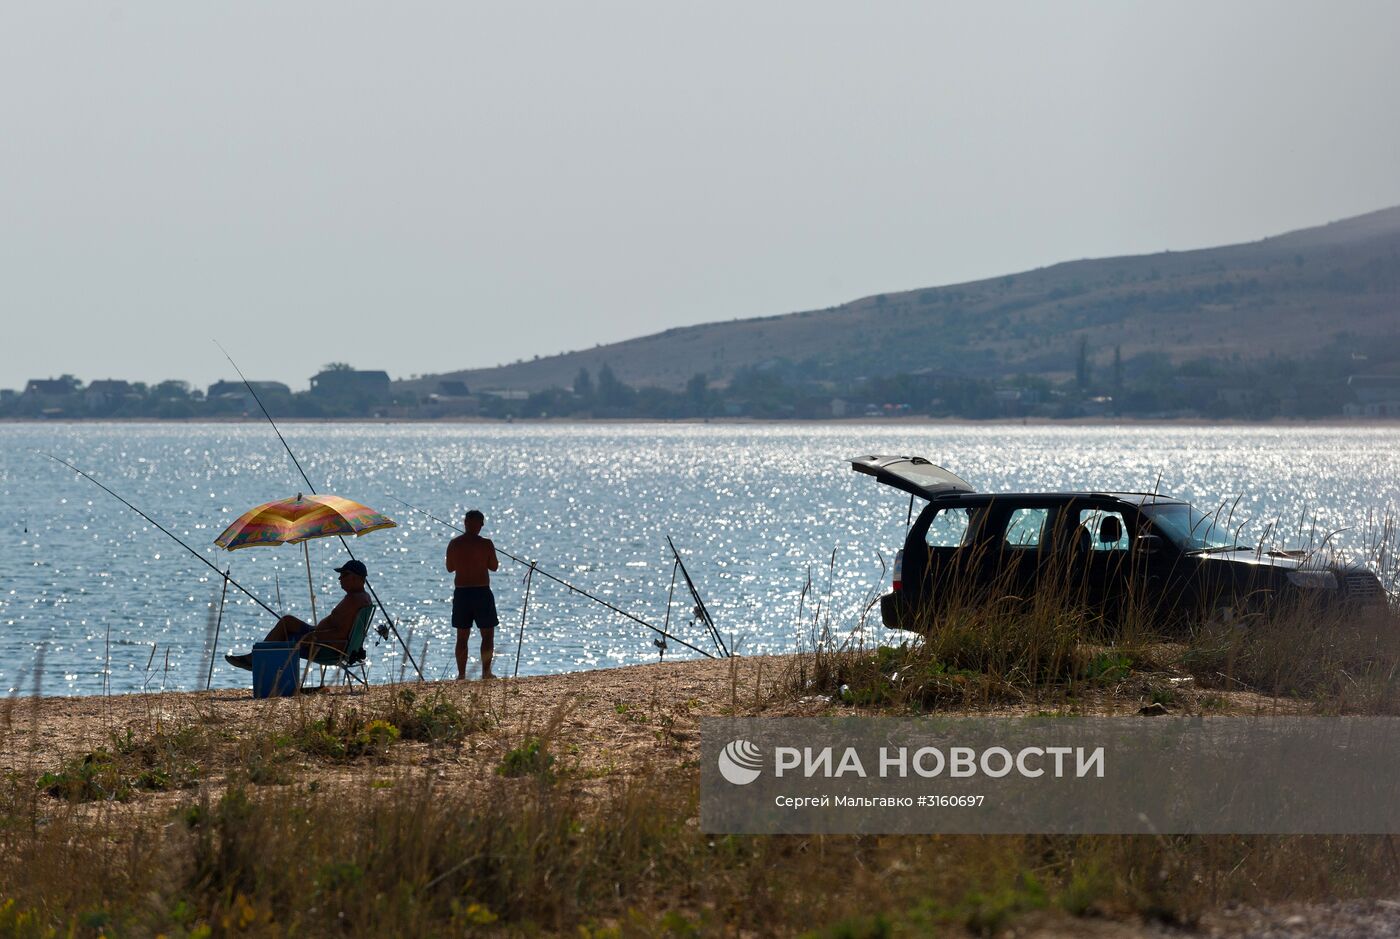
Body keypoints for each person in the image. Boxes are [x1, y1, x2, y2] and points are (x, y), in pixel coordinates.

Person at [225, 559, 373, 670]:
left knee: (286, 634)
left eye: (344, 575)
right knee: (287, 622)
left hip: (325, 648)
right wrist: (316, 631)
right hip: (327, 641)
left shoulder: (353, 600)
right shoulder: (363, 598)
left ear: (355, 577)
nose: (339, 578)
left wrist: (312, 637)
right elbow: (343, 629)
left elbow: (340, 633)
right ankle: (257, 661)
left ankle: (259, 663)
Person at [446, 509, 500, 679]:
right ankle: (485, 672)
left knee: (462, 636)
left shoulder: (454, 544)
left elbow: (450, 568)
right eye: (481, 522)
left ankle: (462, 675)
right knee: (487, 634)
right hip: (481, 592)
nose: (483, 525)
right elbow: (494, 566)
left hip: (462, 594)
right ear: (472, 523)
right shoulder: (486, 544)